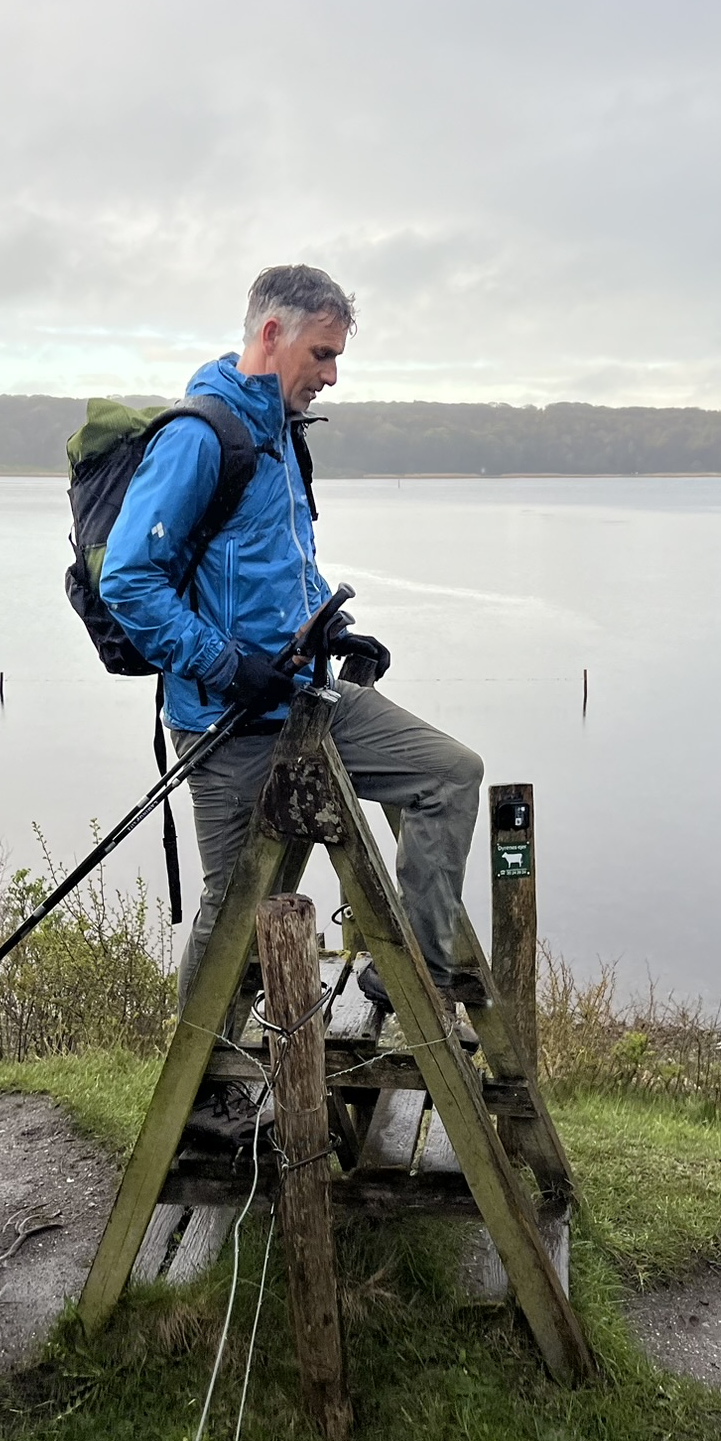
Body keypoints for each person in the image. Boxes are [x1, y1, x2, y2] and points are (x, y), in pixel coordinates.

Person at [98, 264, 486, 1143]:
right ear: (271, 334)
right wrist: (227, 666)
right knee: (237, 911)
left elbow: (276, 573)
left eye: (338, 356)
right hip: (227, 727)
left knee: (447, 776)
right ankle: (198, 1096)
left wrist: (336, 638)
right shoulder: (203, 437)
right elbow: (129, 578)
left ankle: (408, 976)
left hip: (311, 698)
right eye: (323, 352)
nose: (332, 374)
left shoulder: (282, 436)